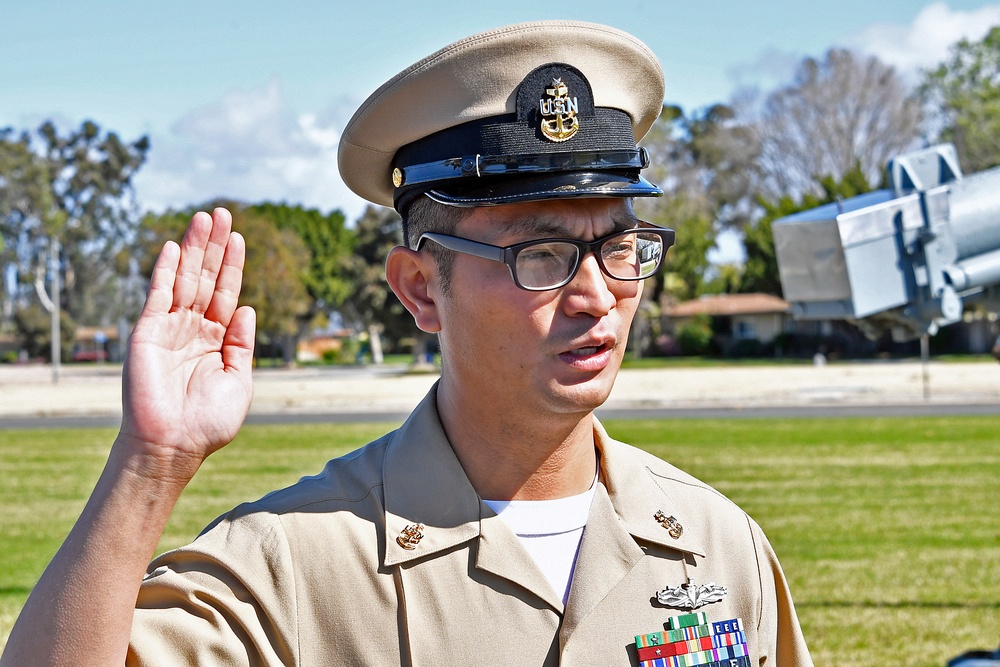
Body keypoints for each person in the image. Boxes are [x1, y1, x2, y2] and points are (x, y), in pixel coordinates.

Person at [1, 20, 813, 666]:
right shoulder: (296, 566)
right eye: (542, 254)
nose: (598, 294)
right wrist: (152, 466)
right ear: (421, 289)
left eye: (618, 245)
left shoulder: (711, 544)